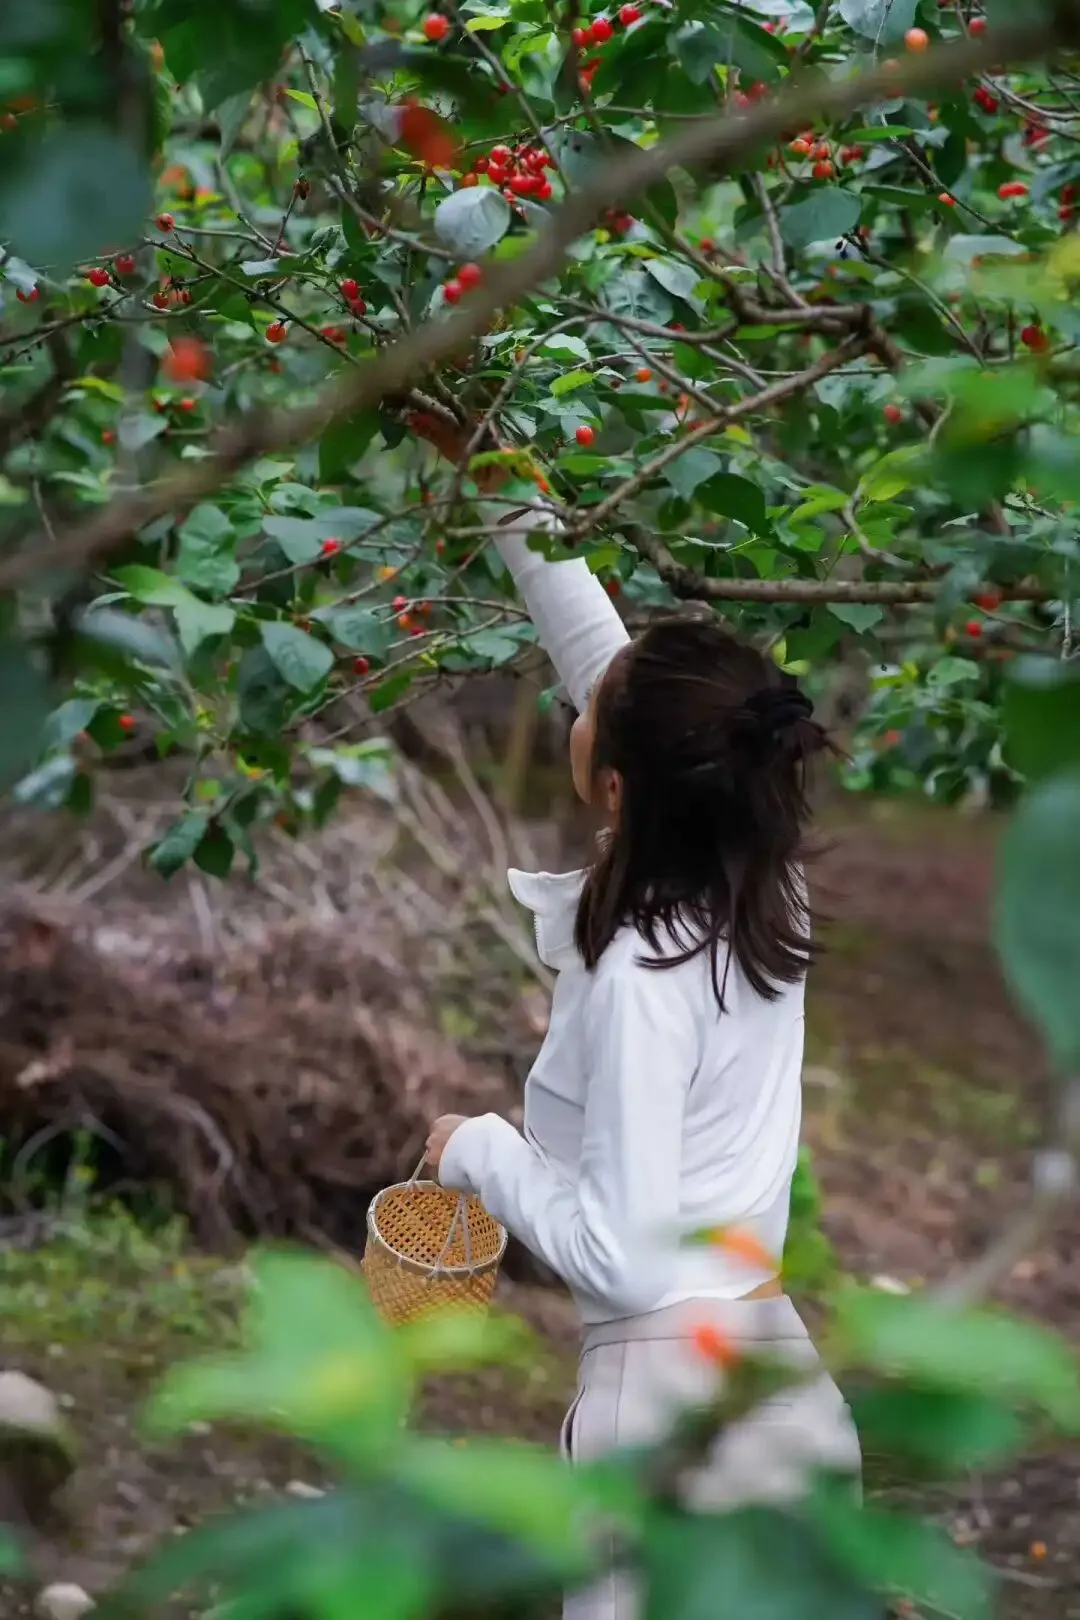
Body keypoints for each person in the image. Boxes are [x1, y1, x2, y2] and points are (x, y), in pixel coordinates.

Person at [416, 419, 861, 1619]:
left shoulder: (641, 979)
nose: (577, 700)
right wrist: (499, 476)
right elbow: (611, 672)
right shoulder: (765, 886)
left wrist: (476, 1149)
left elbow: (621, 1254)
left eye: (591, 713)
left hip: (666, 1416)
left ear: (615, 785)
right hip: (776, 1388)